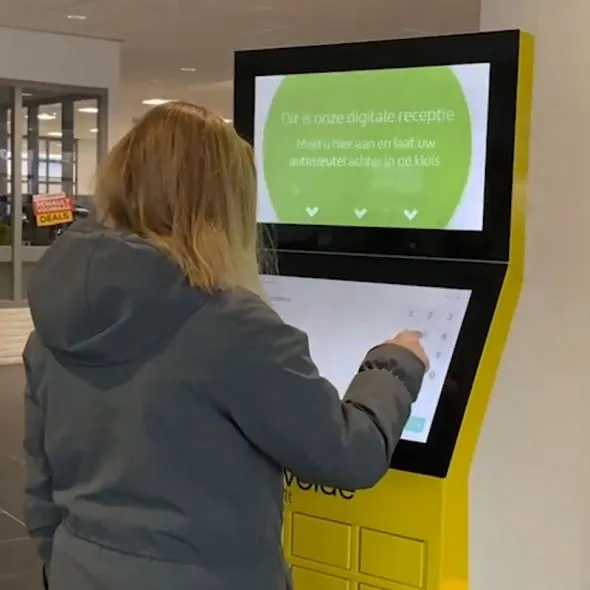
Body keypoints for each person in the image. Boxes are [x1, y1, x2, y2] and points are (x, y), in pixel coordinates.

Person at [23, 101, 429, 590]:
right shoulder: (230, 325)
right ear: (224, 201)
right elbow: (348, 455)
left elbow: (42, 490)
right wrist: (396, 363)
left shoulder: (55, 322)